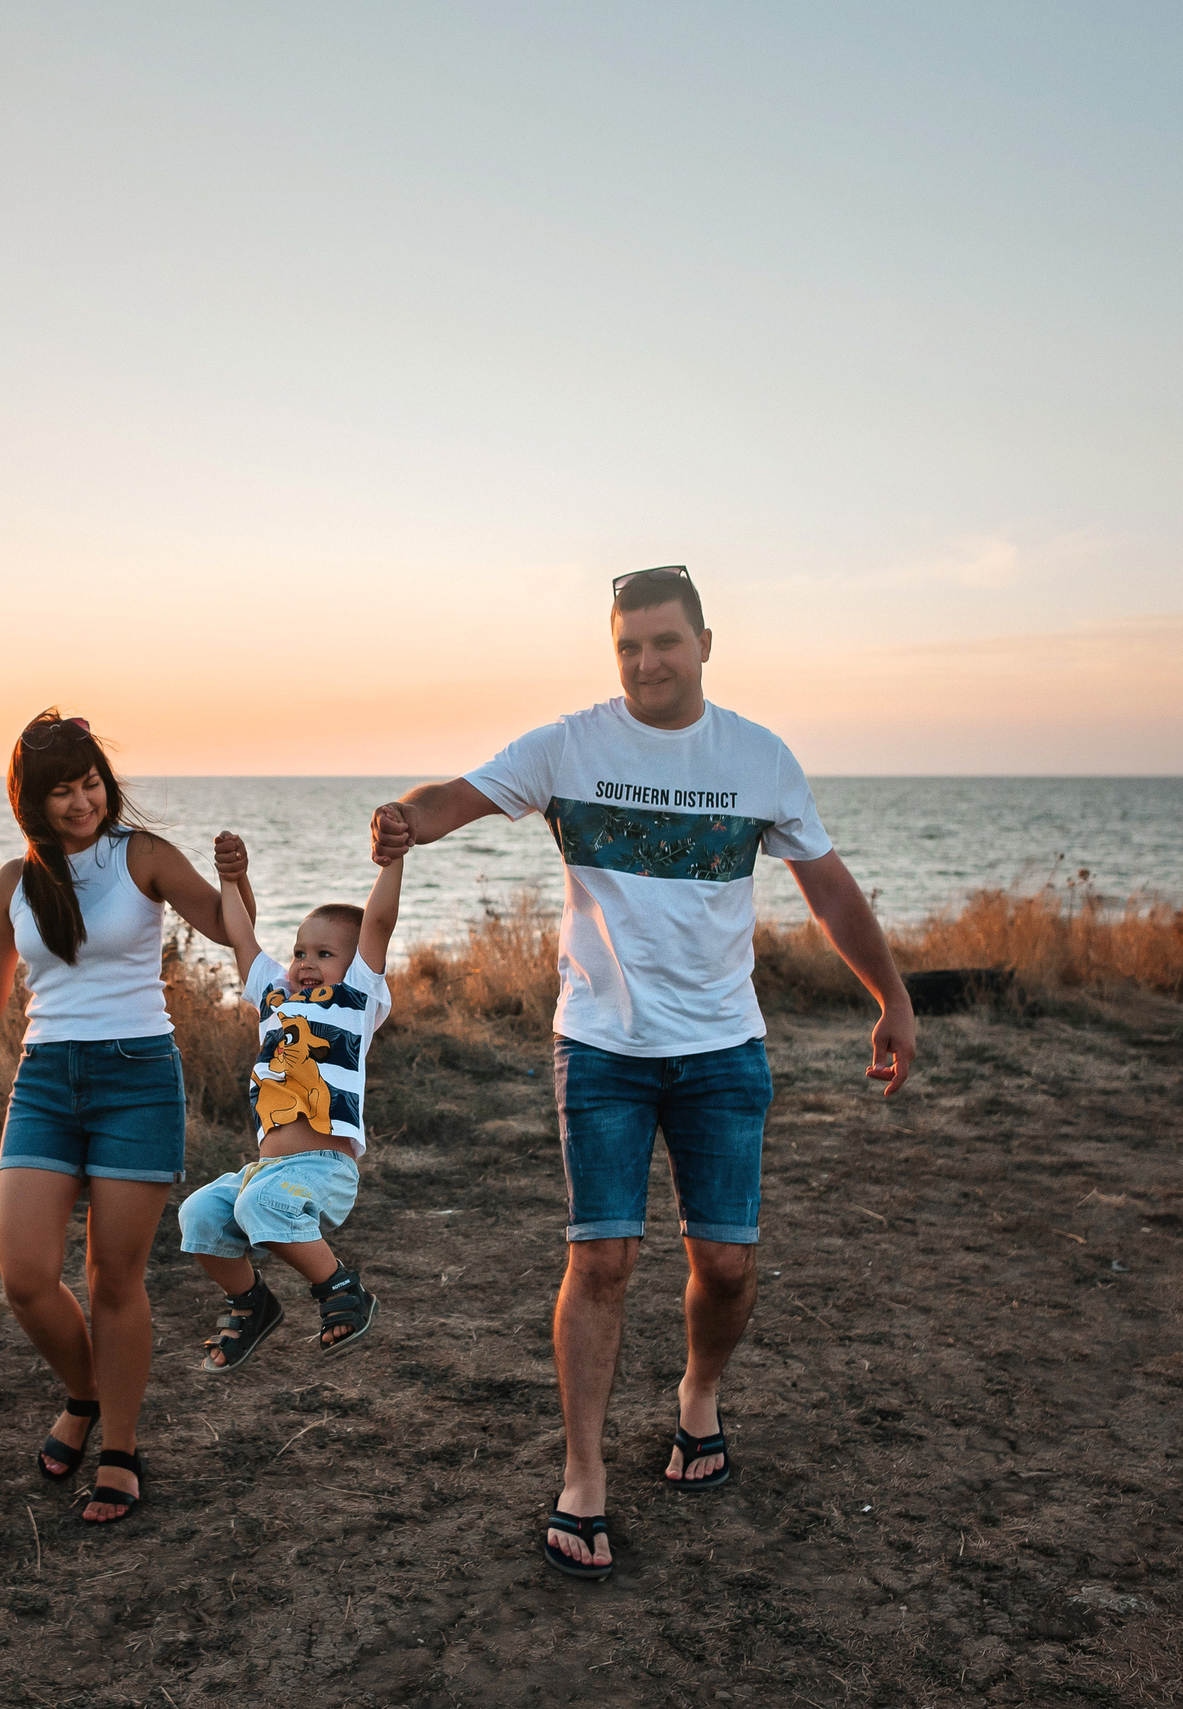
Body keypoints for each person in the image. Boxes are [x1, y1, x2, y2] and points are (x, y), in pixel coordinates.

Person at [366, 567, 916, 1580]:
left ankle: (697, 1393)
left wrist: (891, 995)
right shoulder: (568, 744)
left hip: (722, 1048)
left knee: (728, 1264)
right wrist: (405, 815)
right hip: (603, 1047)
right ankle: (584, 1476)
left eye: (664, 642)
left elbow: (829, 888)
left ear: (705, 641)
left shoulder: (759, 758)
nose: (645, 662)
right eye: (627, 646)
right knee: (603, 1260)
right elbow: (457, 795)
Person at [0, 711, 256, 1526]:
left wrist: (239, 877)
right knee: (27, 1278)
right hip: (45, 1081)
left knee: (114, 1277)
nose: (81, 801)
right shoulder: (16, 880)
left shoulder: (140, 856)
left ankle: (121, 1444)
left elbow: (226, 929)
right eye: (62, 791)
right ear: (31, 801)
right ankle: (83, 1391)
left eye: (89, 783)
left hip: (137, 1076)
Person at [174, 831, 404, 1370]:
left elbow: (378, 923)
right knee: (200, 1214)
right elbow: (241, 937)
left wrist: (393, 860)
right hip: (267, 1169)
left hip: (325, 1167)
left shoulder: (356, 1000)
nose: (305, 962)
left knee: (260, 1206)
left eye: (325, 954)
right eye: (301, 951)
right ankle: (251, 1303)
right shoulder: (275, 998)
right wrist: (233, 878)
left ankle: (342, 1290)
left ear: (355, 967)